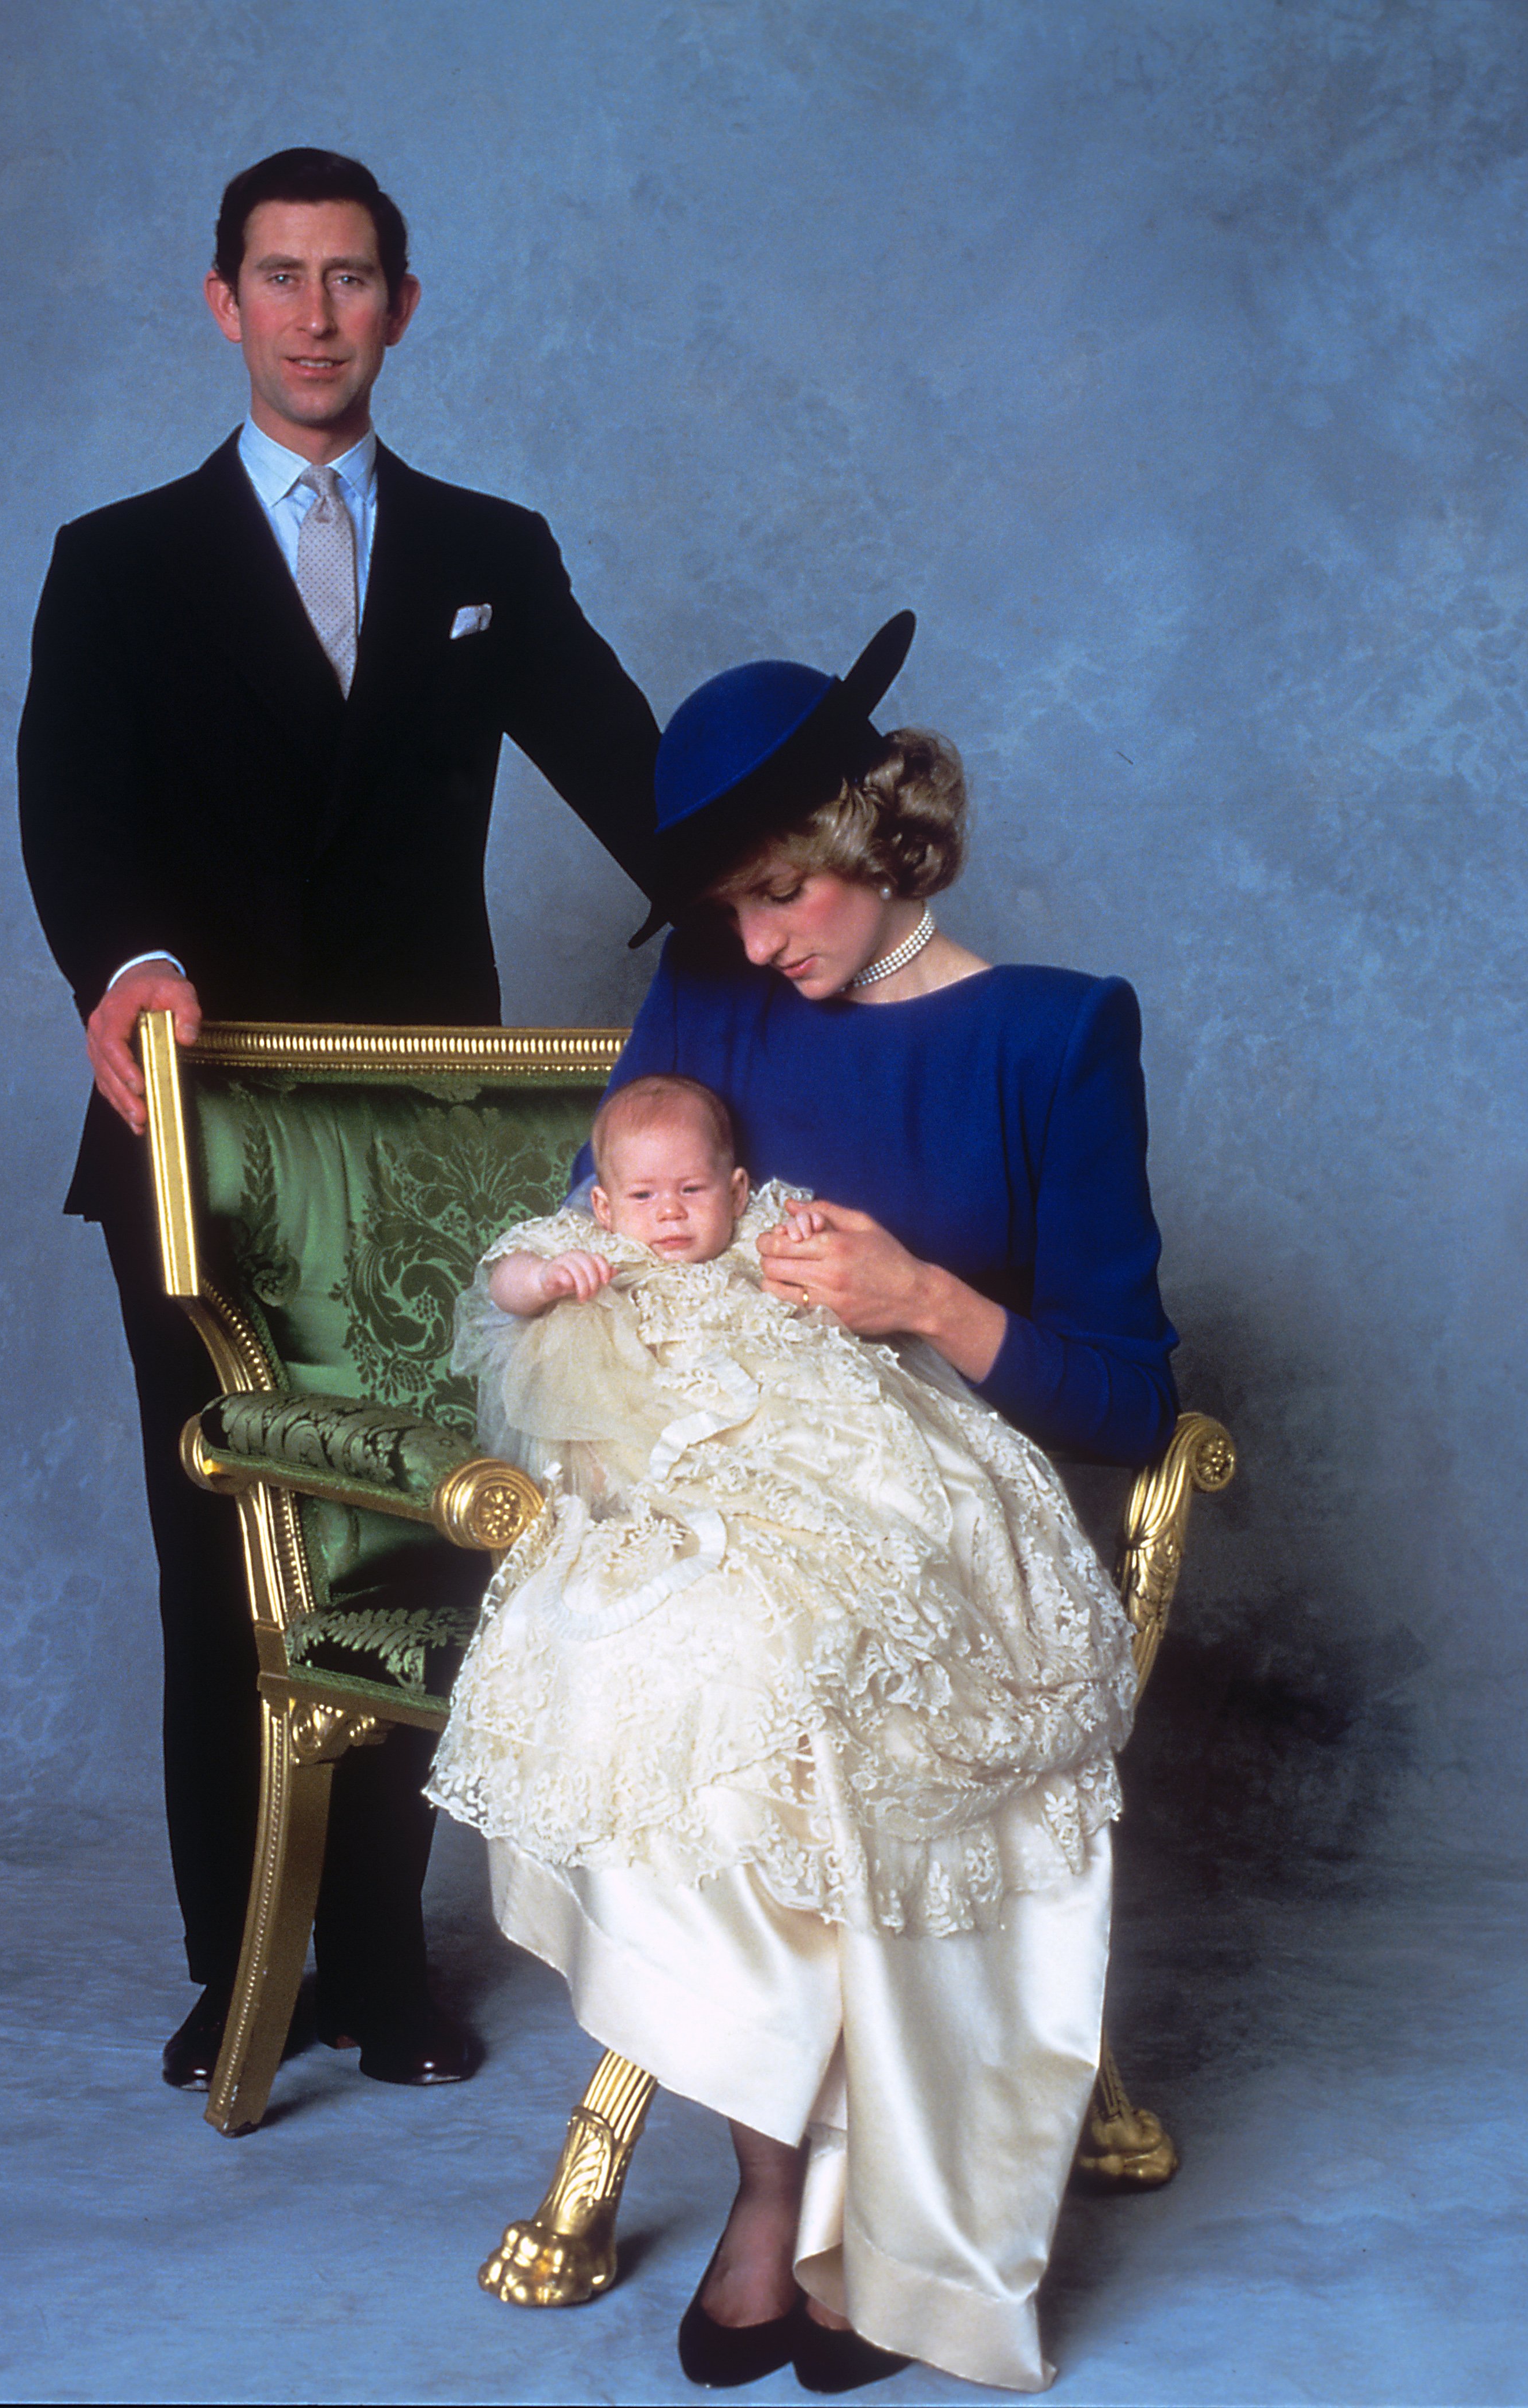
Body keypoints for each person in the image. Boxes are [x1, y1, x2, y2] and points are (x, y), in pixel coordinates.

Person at [452, 616, 1179, 2392]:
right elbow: (602, 1229)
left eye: (786, 892)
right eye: (731, 905)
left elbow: (1131, 1391)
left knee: (783, 1671)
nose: (761, 944)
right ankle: (780, 2180)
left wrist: (923, 1297)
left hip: (935, 1493)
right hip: (720, 1468)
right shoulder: (708, 987)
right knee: (631, 1655)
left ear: (887, 839)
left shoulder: (1055, 1034)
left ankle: (884, 2216)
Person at [16, 147, 660, 2093]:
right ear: (222, 301)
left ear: (400, 303)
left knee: (413, 1534)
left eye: (351, 277)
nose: (314, 312)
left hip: (422, 1152)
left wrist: (821, 868)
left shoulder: (491, 550)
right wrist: (122, 961)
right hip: (196, 1137)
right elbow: (72, 805)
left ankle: (383, 1951)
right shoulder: (115, 562)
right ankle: (251, 1958)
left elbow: (643, 780)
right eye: (279, 277)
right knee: (220, 1548)